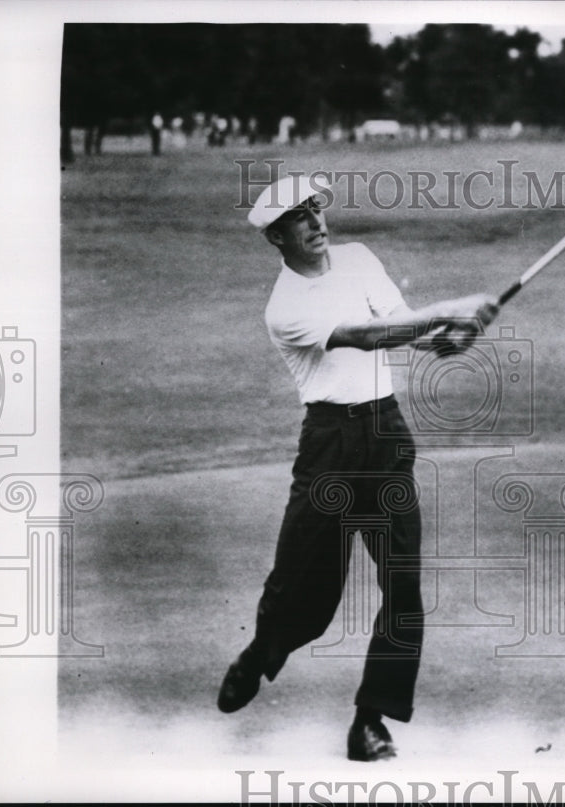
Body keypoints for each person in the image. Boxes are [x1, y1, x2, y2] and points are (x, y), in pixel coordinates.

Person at [217, 174, 500, 761]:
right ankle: (260, 653)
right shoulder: (284, 307)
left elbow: (401, 325)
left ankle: (369, 720)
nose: (317, 223)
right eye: (299, 217)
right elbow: (368, 337)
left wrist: (449, 337)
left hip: (385, 434)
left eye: (317, 210)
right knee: (306, 593)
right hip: (328, 447)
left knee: (403, 587)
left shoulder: (359, 258)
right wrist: (447, 308)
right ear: (276, 236)